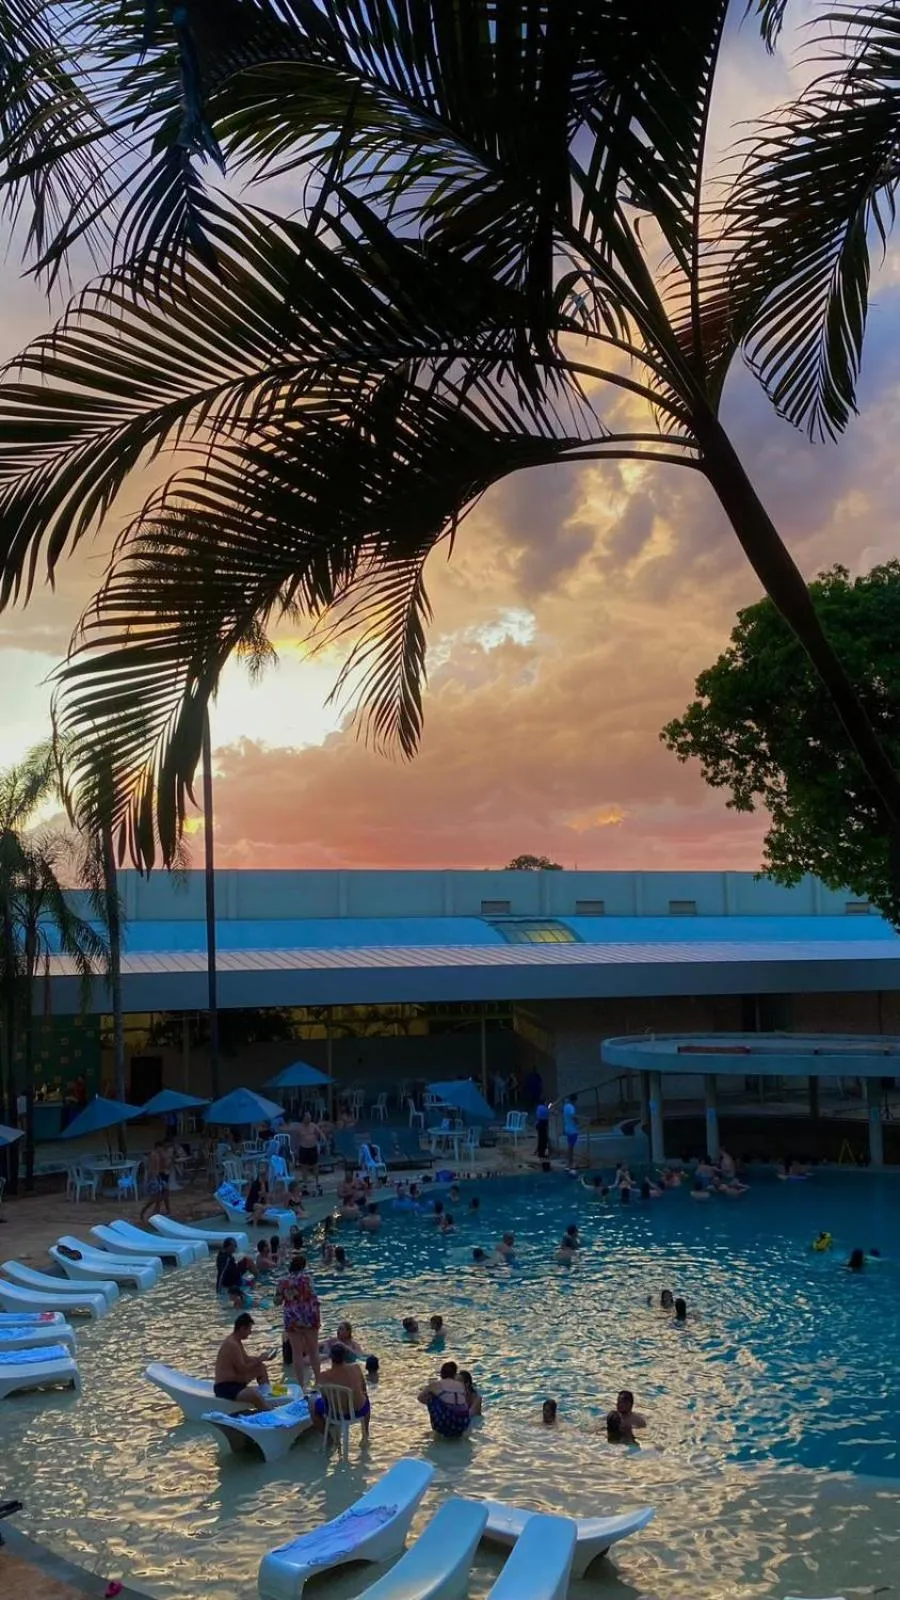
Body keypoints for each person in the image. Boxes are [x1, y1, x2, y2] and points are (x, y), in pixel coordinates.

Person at [276, 1253, 321, 1386]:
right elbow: (313, 1296)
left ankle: (301, 1385)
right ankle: (318, 1382)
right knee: (313, 1351)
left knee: (296, 1354)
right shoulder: (307, 1279)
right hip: (309, 1317)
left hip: (292, 1318)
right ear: (303, 1266)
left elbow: (277, 1301)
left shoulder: (283, 1281)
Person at [213, 1313, 273, 1411]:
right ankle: (270, 1411)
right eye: (249, 1329)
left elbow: (246, 1358)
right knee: (254, 1395)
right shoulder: (232, 1344)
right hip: (225, 1387)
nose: (250, 1332)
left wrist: (262, 1358)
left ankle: (266, 1396)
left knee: (261, 1367)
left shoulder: (236, 1340)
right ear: (242, 1328)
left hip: (235, 1382)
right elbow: (242, 1369)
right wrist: (259, 1359)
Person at [313, 1343, 371, 1438]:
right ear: (345, 1356)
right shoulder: (356, 1368)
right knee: (366, 1399)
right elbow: (363, 1389)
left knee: (313, 1405)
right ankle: (365, 1433)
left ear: (330, 1357)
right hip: (359, 1411)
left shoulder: (323, 1376)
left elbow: (322, 1395)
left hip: (336, 1414)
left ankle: (328, 1439)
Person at [418, 1360, 471, 1438]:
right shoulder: (461, 1385)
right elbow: (465, 1400)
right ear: (454, 1375)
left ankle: (437, 1432)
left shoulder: (436, 1384)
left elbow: (420, 1398)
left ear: (441, 1374)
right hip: (463, 1422)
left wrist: (433, 1402)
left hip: (447, 1422)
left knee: (432, 1398)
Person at [215, 1238, 254, 1307]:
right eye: (234, 1246)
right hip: (234, 1282)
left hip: (236, 1277)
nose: (235, 1248)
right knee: (251, 1284)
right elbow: (221, 1274)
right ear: (229, 1246)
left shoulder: (228, 1255)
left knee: (247, 1260)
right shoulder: (224, 1258)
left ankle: (257, 1278)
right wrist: (218, 1291)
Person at [139, 1141, 172, 1222]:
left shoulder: (157, 1154)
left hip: (158, 1178)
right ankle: (143, 1212)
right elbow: (152, 1169)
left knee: (162, 1196)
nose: (162, 1150)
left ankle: (156, 1214)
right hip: (155, 1179)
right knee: (155, 1198)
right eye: (161, 1148)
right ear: (158, 1147)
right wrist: (155, 1180)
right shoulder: (154, 1155)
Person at [294, 1112, 322, 1182]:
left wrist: (323, 1143)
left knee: (315, 1165)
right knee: (304, 1166)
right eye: (307, 1117)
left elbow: (320, 1134)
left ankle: (317, 1182)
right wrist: (296, 1149)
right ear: (303, 1118)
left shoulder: (314, 1126)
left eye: (309, 1117)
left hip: (313, 1147)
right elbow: (296, 1139)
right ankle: (305, 1182)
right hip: (303, 1148)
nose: (309, 1119)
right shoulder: (299, 1127)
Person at [562, 1094, 579, 1171]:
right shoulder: (571, 1107)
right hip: (572, 1129)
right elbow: (573, 1116)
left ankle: (569, 1163)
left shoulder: (565, 1106)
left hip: (567, 1128)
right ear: (574, 1100)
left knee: (570, 1146)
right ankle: (569, 1164)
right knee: (571, 1147)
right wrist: (578, 1123)